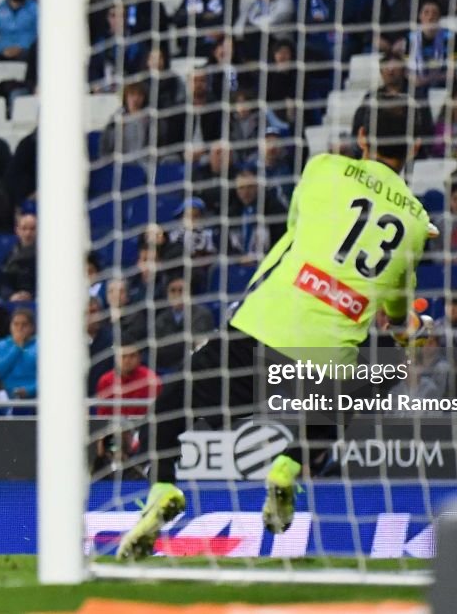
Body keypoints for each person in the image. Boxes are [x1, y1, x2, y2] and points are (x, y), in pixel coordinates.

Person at [116, 94, 436, 560]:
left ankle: (162, 488)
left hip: (262, 327)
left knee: (168, 410)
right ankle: (290, 464)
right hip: (328, 358)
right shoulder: (414, 221)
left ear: (362, 136)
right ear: (416, 147)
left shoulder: (322, 168)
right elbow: (395, 308)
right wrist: (413, 328)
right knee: (381, 366)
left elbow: (298, 233)